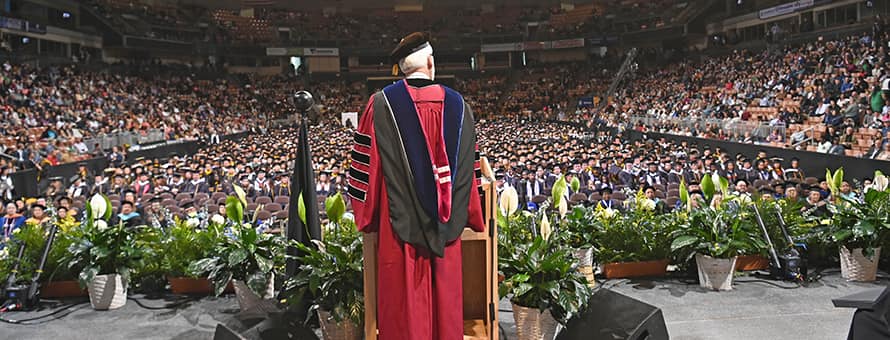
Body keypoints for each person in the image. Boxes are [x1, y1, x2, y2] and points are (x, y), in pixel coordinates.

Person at [348, 32, 485, 340]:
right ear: (431, 63)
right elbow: (470, 172)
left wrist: (366, 216)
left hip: (398, 232)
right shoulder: (458, 106)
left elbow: (365, 172)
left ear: (402, 68)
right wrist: (472, 214)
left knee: (404, 309)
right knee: (445, 306)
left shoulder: (380, 105)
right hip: (445, 230)